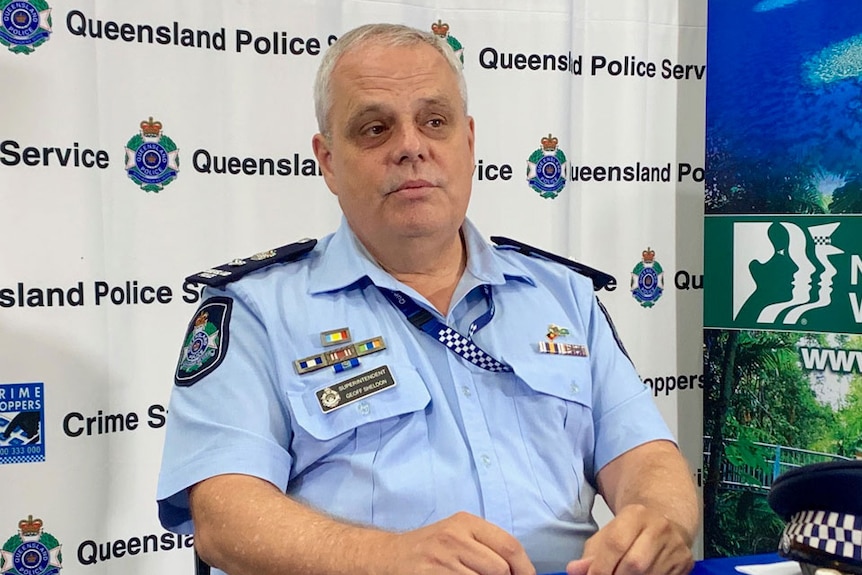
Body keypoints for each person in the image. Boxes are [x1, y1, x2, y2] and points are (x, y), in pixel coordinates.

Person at [156, 22, 698, 575]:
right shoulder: (256, 312)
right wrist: (386, 557)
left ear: (467, 141)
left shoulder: (563, 295)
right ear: (327, 161)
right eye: (374, 128)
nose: (411, 147)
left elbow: (647, 455)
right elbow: (224, 515)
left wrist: (655, 522)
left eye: (434, 122)